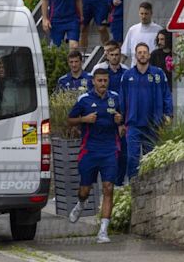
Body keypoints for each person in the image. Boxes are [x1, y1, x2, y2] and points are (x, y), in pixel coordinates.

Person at [67, 68, 123, 243]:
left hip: (109, 149)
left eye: (105, 81)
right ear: (93, 81)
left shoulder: (115, 97)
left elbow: (122, 120)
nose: (103, 84)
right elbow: (69, 120)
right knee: (85, 190)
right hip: (89, 150)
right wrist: (84, 120)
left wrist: (119, 121)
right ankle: (81, 204)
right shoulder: (84, 100)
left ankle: (103, 231)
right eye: (99, 81)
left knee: (108, 188)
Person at [119, 43, 173, 179]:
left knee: (152, 160)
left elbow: (167, 94)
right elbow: (122, 99)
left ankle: (151, 191)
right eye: (139, 52)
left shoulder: (158, 74)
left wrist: (168, 114)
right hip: (133, 125)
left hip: (153, 125)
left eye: (145, 52)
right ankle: (133, 190)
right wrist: (120, 122)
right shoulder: (127, 75)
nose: (142, 54)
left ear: (149, 55)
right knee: (132, 159)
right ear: (136, 55)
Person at [92, 42, 129, 186]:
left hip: (122, 116)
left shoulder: (126, 72)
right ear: (107, 56)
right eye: (112, 55)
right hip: (105, 117)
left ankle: (119, 183)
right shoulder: (100, 70)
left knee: (123, 154)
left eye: (117, 55)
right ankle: (106, 182)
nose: (114, 57)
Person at [121, 2, 163, 67]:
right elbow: (125, 53)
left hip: (153, 68)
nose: (143, 16)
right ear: (139, 13)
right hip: (135, 69)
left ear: (151, 14)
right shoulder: (132, 30)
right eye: (142, 14)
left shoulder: (158, 30)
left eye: (146, 14)